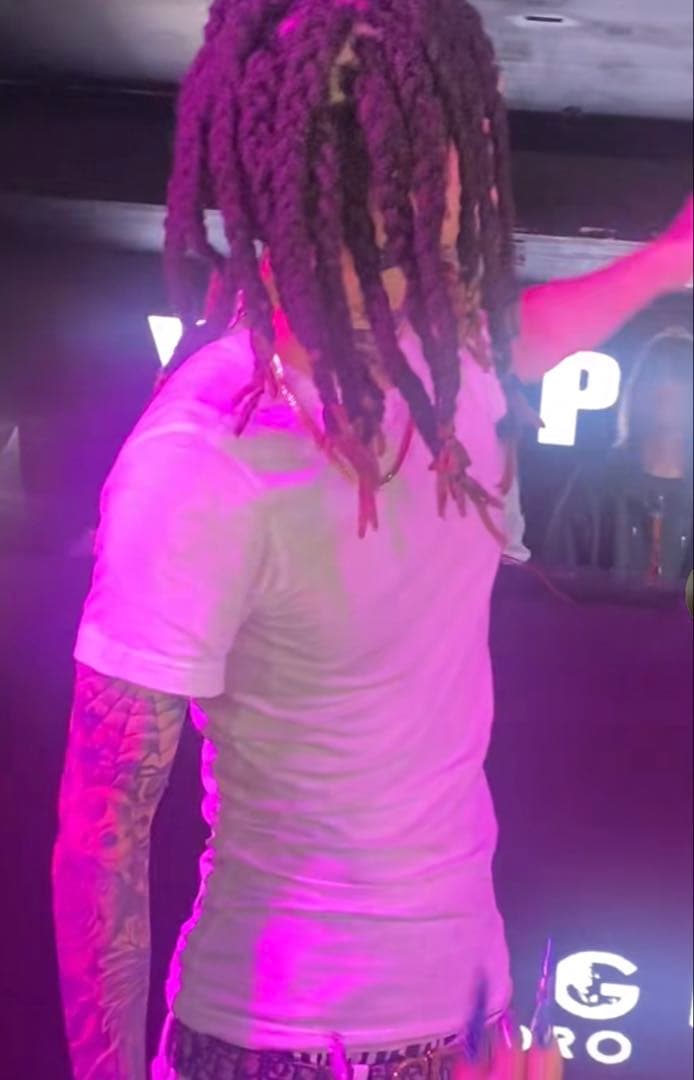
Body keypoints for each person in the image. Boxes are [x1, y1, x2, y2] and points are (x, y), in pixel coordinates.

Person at [51, 2, 694, 1078]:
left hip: (469, 1012)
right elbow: (104, 829)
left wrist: (667, 262)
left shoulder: (444, 363)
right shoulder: (205, 460)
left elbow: (523, 338)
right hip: (289, 1044)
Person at [543, 328, 693, 583]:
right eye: (657, 375)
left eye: (681, 377)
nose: (667, 389)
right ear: (636, 392)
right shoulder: (592, 485)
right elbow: (555, 582)